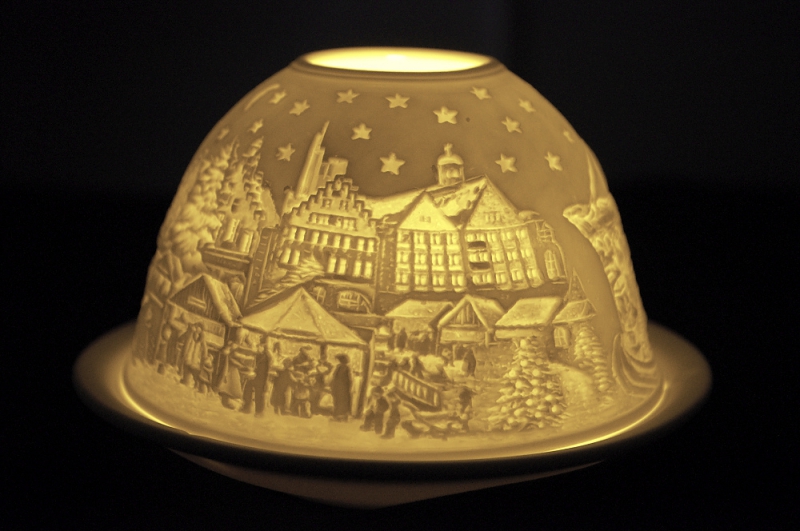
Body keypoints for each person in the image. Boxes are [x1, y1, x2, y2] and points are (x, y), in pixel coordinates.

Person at [241, 336, 272, 417]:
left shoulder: (268, 355)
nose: (259, 347)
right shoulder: (257, 353)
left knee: (259, 394)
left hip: (262, 377)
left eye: (261, 346)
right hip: (254, 375)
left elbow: (270, 368)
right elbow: (254, 363)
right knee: (247, 389)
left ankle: (259, 412)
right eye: (259, 346)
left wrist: (267, 380)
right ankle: (247, 407)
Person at [216, 341, 243, 409]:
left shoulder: (232, 353)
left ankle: (228, 401)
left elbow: (235, 360)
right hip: (228, 371)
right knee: (228, 386)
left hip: (232, 370)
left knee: (233, 385)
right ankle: (227, 401)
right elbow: (231, 360)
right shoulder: (227, 354)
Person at [180, 323, 208, 389]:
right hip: (189, 358)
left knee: (194, 373)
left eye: (199, 328)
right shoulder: (190, 334)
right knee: (187, 372)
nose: (197, 329)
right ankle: (186, 381)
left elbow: (205, 349)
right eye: (196, 327)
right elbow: (181, 339)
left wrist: (204, 357)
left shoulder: (201, 339)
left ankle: (195, 384)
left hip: (194, 360)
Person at [330, 354, 352, 421]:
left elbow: (347, 379)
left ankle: (341, 416)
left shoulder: (344, 368)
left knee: (340, 402)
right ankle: (340, 416)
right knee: (339, 401)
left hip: (342, 388)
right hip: (340, 387)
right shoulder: (340, 367)